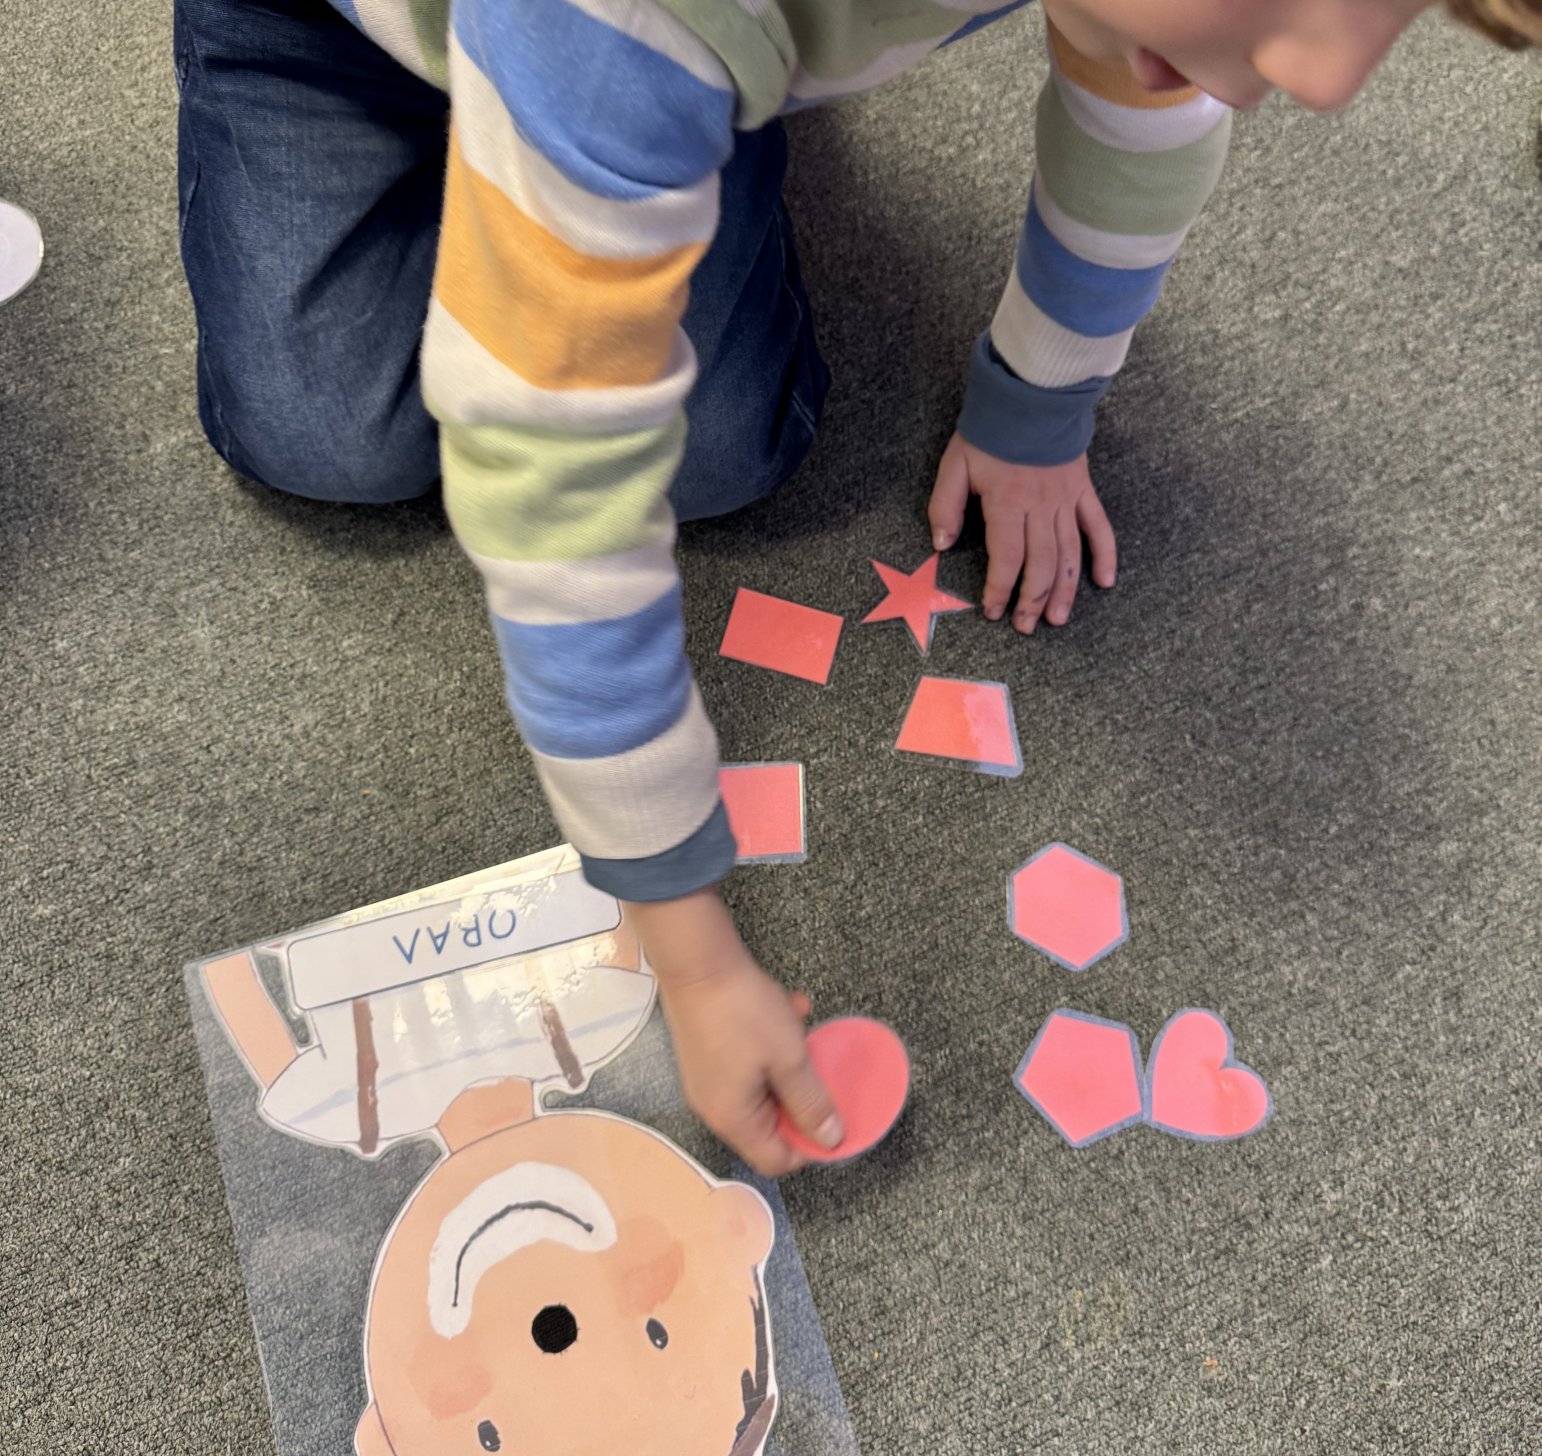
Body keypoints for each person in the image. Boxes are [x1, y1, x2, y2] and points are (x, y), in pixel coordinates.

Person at [174, 0, 1541, 1176]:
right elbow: (548, 486)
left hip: (662, 53)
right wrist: (687, 948)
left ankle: (671, 123)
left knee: (719, 450)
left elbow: (1140, 109)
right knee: (328, 437)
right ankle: (633, 128)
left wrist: (1042, 402)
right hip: (342, 36)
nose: (1330, 79)